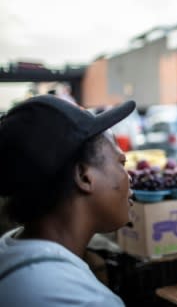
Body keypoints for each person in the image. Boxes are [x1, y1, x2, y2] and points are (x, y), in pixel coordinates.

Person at [0, 95, 135, 306]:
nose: (129, 177)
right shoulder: (83, 300)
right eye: (121, 162)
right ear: (83, 176)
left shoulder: (10, 251)